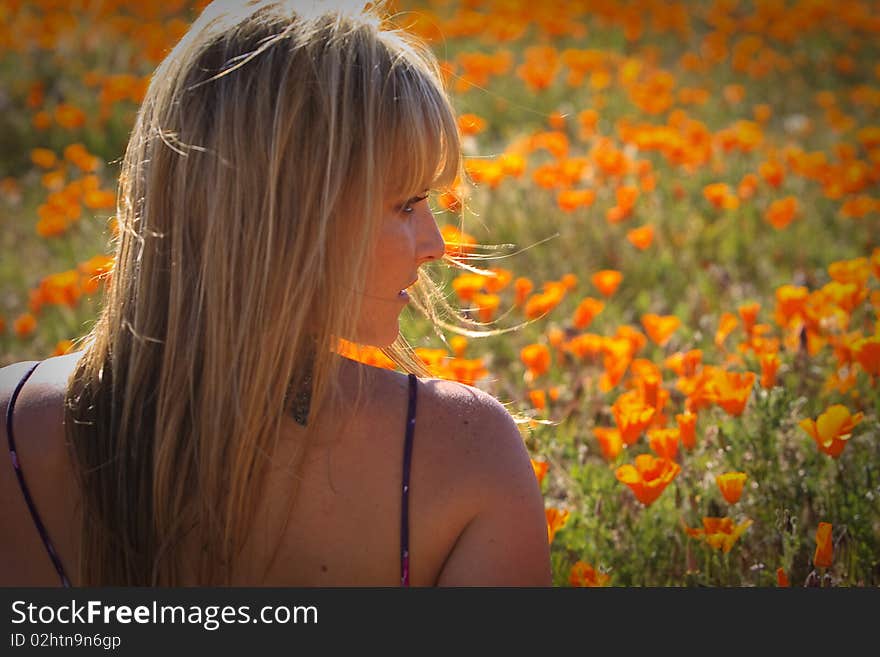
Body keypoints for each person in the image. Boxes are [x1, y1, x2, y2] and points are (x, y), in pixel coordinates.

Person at [0, 0, 551, 586]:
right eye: (405, 203)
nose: (435, 243)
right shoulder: (466, 457)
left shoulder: (12, 432)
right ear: (286, 216)